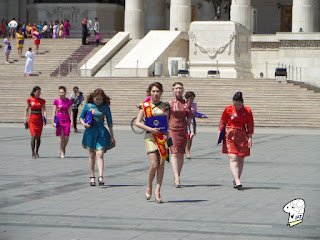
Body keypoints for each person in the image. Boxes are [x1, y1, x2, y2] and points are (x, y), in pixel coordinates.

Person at [135, 82, 170, 204]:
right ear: (150, 92)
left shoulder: (165, 106)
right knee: (154, 164)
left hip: (162, 137)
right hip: (150, 137)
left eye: (158, 91)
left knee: (162, 163)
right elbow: (138, 122)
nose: (155, 94)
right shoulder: (145, 106)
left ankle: (158, 190)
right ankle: (149, 185)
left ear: (161, 93)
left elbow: (167, 121)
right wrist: (150, 129)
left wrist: (167, 134)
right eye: (153, 91)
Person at [79, 89, 116, 187]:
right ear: (93, 97)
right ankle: (92, 176)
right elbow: (81, 117)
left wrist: (112, 135)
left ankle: (100, 176)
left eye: (100, 99)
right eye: (96, 99)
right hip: (90, 131)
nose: (98, 101)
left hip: (101, 132)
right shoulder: (88, 106)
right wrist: (84, 124)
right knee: (92, 154)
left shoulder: (105, 107)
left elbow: (110, 121)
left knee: (100, 153)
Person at [218, 91, 254, 190]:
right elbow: (223, 121)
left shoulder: (247, 111)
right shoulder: (228, 109)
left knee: (241, 158)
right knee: (233, 157)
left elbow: (250, 124)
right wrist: (220, 132)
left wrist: (250, 137)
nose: (237, 106)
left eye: (239, 104)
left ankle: (236, 178)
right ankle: (238, 181)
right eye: (235, 104)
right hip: (230, 134)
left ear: (242, 103)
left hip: (242, 135)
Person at [168, 82, 194, 188]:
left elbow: (190, 118)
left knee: (181, 153)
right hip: (171, 130)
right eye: (176, 88)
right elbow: (166, 117)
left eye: (180, 88)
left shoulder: (186, 104)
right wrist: (165, 131)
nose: (178, 90)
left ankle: (178, 174)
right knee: (174, 152)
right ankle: (176, 177)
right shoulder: (169, 103)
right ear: (173, 90)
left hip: (183, 130)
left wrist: (191, 131)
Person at [24, 86, 47, 158]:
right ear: (34, 92)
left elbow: (44, 110)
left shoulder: (42, 100)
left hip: (39, 118)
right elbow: (27, 109)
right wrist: (25, 118)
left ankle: (37, 151)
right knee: (33, 135)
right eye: (38, 92)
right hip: (32, 119)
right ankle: (33, 152)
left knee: (38, 137)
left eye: (40, 92)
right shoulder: (30, 100)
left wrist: (45, 117)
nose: (39, 93)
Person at [52, 86, 73, 158]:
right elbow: (54, 111)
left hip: (66, 119)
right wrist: (53, 121)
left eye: (62, 92)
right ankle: (61, 151)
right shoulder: (57, 101)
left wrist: (72, 121)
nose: (61, 94)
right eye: (60, 92)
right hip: (59, 119)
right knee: (61, 136)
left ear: (65, 93)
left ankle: (63, 148)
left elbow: (71, 111)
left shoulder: (68, 101)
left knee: (66, 136)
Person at [185, 91, 206, 159]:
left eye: (192, 98)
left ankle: (188, 151)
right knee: (185, 136)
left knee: (190, 136)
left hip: (191, 121)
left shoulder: (194, 105)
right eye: (190, 98)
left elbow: (195, 113)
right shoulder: (183, 104)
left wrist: (200, 116)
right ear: (187, 98)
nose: (191, 100)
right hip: (184, 120)